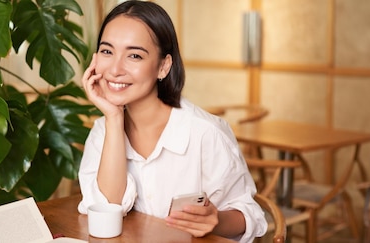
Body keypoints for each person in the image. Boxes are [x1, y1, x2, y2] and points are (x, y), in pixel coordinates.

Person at [77, 1, 267, 242]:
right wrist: (114, 118)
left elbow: (251, 216)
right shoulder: (102, 131)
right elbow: (107, 210)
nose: (115, 69)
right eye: (107, 51)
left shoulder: (205, 133)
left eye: (134, 55)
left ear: (163, 66)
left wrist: (215, 219)